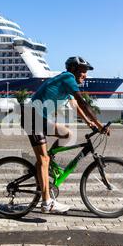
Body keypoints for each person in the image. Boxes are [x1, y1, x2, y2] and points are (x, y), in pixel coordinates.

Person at [22, 57, 110, 214]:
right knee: (43, 159)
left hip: (39, 117)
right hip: (31, 117)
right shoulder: (68, 78)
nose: (85, 75)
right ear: (74, 70)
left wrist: (88, 122)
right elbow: (82, 102)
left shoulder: (66, 81)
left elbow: (75, 106)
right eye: (83, 71)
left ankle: (48, 164)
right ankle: (47, 203)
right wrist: (99, 125)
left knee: (68, 134)